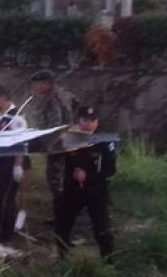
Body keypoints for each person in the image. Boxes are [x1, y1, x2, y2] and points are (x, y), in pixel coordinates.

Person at [56, 105, 116, 263]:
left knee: (102, 228)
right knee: (63, 223)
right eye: (85, 120)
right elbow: (56, 156)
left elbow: (110, 170)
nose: (89, 124)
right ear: (78, 120)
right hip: (73, 189)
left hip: (96, 190)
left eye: (92, 120)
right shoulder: (70, 138)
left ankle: (108, 261)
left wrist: (88, 176)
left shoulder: (104, 141)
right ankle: (62, 258)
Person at [29, 70, 77, 231]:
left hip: (59, 147)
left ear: (45, 84)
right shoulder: (61, 94)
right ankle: (62, 216)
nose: (34, 88)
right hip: (68, 143)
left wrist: (47, 145)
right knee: (62, 181)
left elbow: (55, 127)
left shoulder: (53, 100)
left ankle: (62, 219)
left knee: (56, 182)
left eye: (36, 84)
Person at [0, 86, 29, 243]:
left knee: (6, 199)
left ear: (3, 98)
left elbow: (20, 142)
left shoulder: (16, 118)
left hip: (12, 163)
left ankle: (6, 234)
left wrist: (18, 165)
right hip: (1, 162)